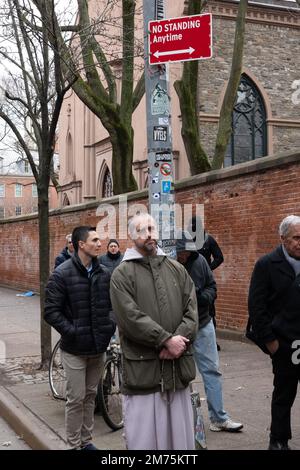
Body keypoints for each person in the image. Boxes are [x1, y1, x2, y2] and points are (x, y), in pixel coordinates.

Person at [110, 213, 198, 450]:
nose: (148, 233)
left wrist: (179, 342)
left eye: (151, 228)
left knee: (180, 441)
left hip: (178, 369)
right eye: (141, 230)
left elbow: (192, 311)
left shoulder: (177, 269)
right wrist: (165, 340)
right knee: (145, 441)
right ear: (131, 236)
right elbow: (130, 318)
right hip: (144, 372)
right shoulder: (122, 274)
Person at [44, 226, 115, 450]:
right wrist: (73, 331)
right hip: (74, 350)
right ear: (80, 245)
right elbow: (51, 312)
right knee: (75, 399)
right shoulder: (62, 273)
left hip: (98, 347)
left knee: (91, 396)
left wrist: (108, 327)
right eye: (94, 240)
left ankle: (86, 442)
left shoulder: (104, 273)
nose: (99, 243)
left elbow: (113, 306)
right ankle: (74, 445)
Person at [176, 230, 243, 433]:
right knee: (178, 375)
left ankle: (219, 418)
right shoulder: (168, 265)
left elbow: (212, 287)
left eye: (188, 251)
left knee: (212, 370)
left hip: (203, 323)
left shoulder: (200, 262)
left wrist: (203, 297)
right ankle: (180, 420)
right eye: (182, 252)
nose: (185, 256)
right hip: (177, 328)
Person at [248, 215, 300, 450]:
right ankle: (278, 440)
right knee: (284, 393)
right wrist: (270, 342)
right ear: (283, 239)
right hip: (284, 343)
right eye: (296, 238)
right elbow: (257, 307)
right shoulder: (267, 264)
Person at [190, 216, 224, 350]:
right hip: (189, 279)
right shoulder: (187, 240)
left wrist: (208, 269)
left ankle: (212, 341)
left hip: (205, 281)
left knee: (209, 311)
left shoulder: (208, 239)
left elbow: (219, 257)